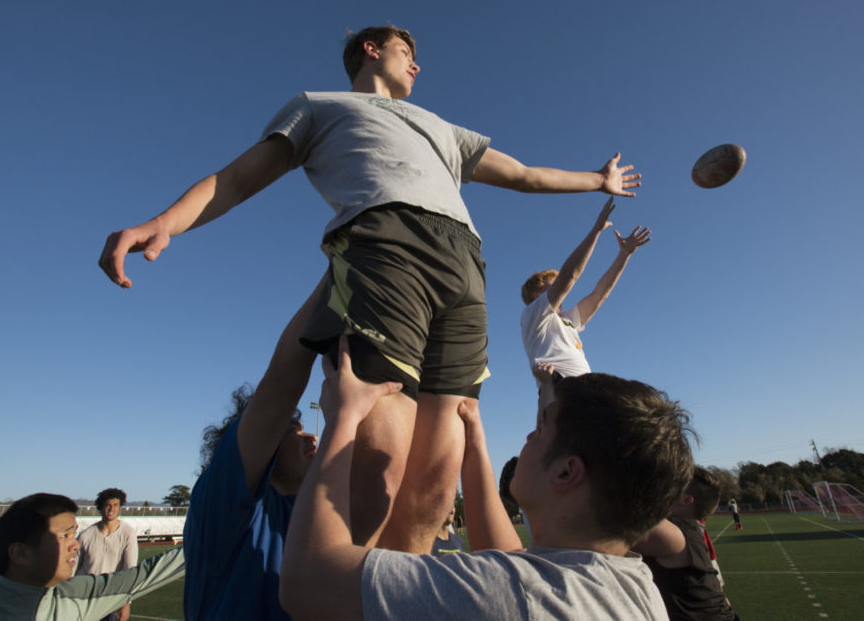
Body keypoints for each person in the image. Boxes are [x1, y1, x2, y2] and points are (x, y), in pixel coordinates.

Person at [99, 24, 643, 554]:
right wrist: (167, 221)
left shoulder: (441, 127)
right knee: (383, 458)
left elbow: (523, 174)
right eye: (406, 49)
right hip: (386, 244)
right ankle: (343, 594)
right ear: (370, 49)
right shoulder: (318, 105)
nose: (417, 62)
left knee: (435, 480)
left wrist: (597, 180)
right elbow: (238, 177)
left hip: (466, 265)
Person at [279, 339, 694, 620]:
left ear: (567, 472)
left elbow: (308, 580)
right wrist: (474, 444)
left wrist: (343, 419)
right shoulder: (636, 587)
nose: (529, 436)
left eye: (542, 428)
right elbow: (513, 558)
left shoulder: (514, 597)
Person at [181, 286, 319, 620]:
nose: (310, 438)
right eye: (293, 431)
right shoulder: (224, 502)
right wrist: (337, 275)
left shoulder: (309, 513)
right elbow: (281, 384)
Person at [0, 493, 183, 621]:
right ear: (20, 552)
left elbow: (145, 575)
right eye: (65, 535)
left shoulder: (79, 592)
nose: (75, 545)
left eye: (74, 533)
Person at [520, 197, 651, 407]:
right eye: (552, 285)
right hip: (560, 393)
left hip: (584, 392)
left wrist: (624, 255)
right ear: (536, 295)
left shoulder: (567, 321)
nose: (559, 290)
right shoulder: (534, 316)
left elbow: (600, 294)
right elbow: (570, 275)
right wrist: (596, 230)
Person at [634, 468, 739, 620]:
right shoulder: (690, 531)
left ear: (685, 499)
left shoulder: (676, 533)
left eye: (668, 486)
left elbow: (609, 525)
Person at [76, 488, 138, 621]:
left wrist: (126, 603)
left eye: (115, 505)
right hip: (84, 596)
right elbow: (73, 568)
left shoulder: (128, 533)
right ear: (101, 507)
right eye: (108, 505)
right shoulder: (85, 535)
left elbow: (130, 570)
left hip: (109, 597)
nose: (111, 509)